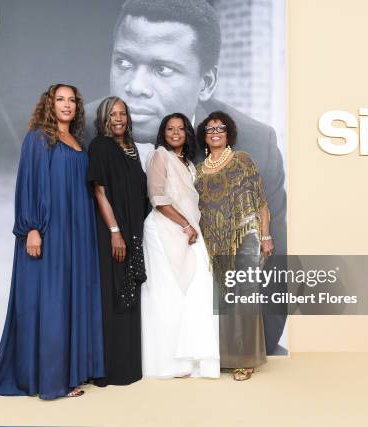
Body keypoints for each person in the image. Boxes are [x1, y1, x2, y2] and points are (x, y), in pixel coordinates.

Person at [83, 0, 287, 354]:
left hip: (207, 340)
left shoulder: (252, 146)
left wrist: (231, 353)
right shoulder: (79, 133)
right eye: (124, 63)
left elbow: (268, 276)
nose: (135, 86)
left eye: (162, 69)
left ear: (205, 82)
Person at [0, 84, 104, 399]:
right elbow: (29, 184)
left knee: (69, 298)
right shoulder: (38, 139)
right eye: (60, 99)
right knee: (50, 301)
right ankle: (50, 379)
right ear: (49, 104)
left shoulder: (76, 141)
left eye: (72, 100)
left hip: (77, 233)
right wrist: (32, 228)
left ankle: (71, 372)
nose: (67, 105)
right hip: (49, 232)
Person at [195, 111, 273, 381]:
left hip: (245, 236)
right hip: (212, 242)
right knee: (221, 301)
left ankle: (245, 360)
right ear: (203, 136)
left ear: (229, 133)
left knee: (245, 297)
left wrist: (265, 236)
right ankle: (224, 357)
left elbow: (261, 200)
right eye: (209, 128)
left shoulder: (242, 160)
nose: (215, 131)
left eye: (220, 127)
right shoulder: (198, 170)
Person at [142, 113, 220, 378]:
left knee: (195, 292)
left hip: (188, 231)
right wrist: (185, 224)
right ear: (163, 133)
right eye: (169, 128)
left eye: (180, 128)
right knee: (167, 294)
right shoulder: (160, 156)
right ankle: (166, 363)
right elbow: (158, 197)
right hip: (164, 230)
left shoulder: (187, 163)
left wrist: (189, 226)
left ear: (187, 133)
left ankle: (188, 360)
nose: (175, 133)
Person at [87, 96, 147, 386]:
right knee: (114, 297)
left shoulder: (132, 148)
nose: (119, 118)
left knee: (130, 296)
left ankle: (128, 367)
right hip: (114, 234)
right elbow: (100, 191)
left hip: (133, 234)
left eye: (123, 113)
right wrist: (115, 232)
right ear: (104, 119)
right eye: (113, 114)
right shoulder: (101, 146)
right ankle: (110, 370)